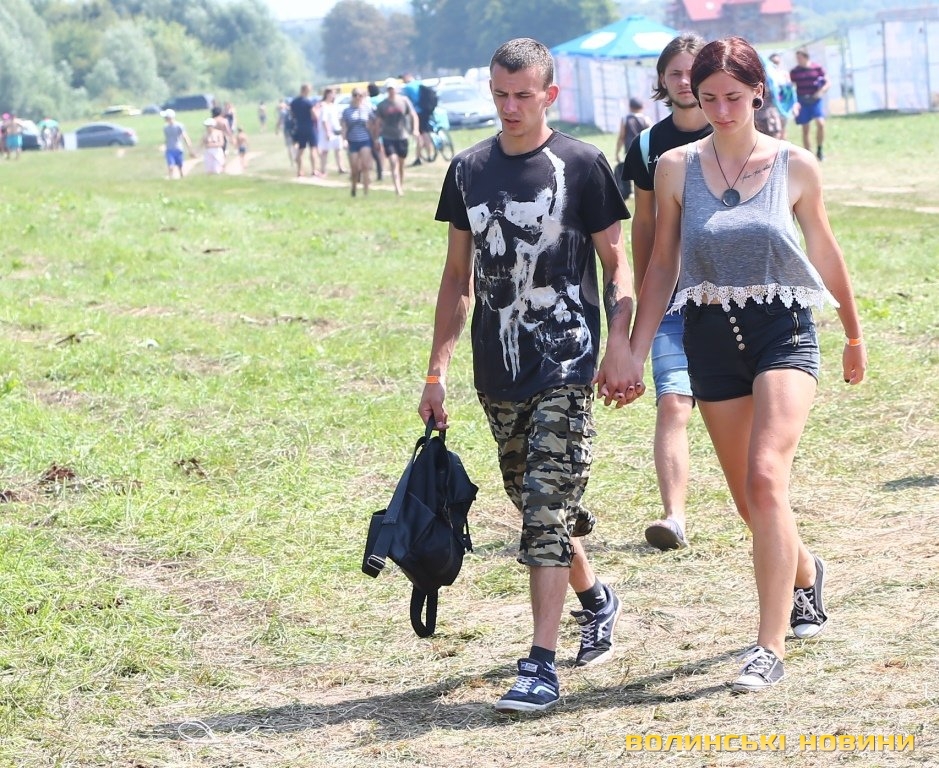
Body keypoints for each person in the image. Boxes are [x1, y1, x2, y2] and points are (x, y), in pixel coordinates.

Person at [624, 36, 866, 693]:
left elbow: (824, 248)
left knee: (764, 478)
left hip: (782, 329)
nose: (722, 110)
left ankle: (768, 647)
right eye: (708, 98)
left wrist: (852, 333)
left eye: (733, 96)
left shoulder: (794, 164)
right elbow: (662, 265)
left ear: (758, 92)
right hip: (707, 335)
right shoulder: (674, 167)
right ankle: (806, 572)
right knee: (747, 502)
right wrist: (635, 347)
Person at [419, 37, 638, 714]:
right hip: (497, 370)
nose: (509, 107)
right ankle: (596, 599)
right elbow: (457, 279)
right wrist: (436, 372)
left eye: (522, 95)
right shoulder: (466, 170)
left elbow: (618, 266)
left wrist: (620, 344)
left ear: (549, 94)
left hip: (567, 362)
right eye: (499, 94)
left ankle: (539, 666)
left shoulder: (583, 165)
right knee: (536, 503)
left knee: (544, 507)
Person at [621, 32, 712, 552]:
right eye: (675, 72)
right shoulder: (647, 145)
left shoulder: (733, 131)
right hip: (672, 299)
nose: (684, 81)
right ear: (661, 79)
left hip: (728, 296)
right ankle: (674, 516)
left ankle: (763, 507)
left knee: (736, 407)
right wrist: (643, 293)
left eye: (693, 71)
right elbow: (644, 222)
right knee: (673, 403)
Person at [374, 79, 418, 196]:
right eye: (389, 89)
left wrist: (415, 129)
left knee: (401, 163)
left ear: (396, 89)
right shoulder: (382, 105)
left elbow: (413, 115)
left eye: (393, 89)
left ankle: (400, 184)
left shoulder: (404, 101)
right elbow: (378, 122)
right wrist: (376, 137)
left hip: (402, 135)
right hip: (388, 136)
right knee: (393, 161)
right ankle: (397, 188)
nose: (391, 91)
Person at [790, 48, 829, 160]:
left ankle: (820, 150)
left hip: (815, 100)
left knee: (820, 124)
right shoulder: (795, 71)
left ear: (806, 57)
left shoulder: (817, 68)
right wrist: (793, 103)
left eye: (800, 58)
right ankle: (809, 155)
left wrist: (820, 92)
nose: (798, 60)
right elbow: (790, 87)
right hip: (802, 101)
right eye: (797, 58)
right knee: (805, 128)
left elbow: (827, 82)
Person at [613, 97, 652, 199]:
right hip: (643, 150)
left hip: (629, 150)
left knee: (630, 171)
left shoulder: (625, 119)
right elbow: (650, 136)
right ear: (642, 107)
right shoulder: (646, 119)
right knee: (642, 172)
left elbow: (621, 137)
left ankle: (630, 191)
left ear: (630, 107)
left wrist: (617, 152)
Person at [340, 88, 374, 197]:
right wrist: (344, 139)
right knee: (354, 168)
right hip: (352, 141)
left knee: (365, 166)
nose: (357, 97)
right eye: (355, 95)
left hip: (365, 140)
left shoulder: (367, 109)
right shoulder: (347, 111)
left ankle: (366, 191)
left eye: (360, 95)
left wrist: (375, 137)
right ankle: (354, 188)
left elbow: (373, 123)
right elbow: (344, 126)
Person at [290, 83, 319, 177]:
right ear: (306, 90)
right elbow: (315, 116)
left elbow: (292, 115)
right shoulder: (308, 102)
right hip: (309, 127)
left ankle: (299, 171)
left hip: (299, 127)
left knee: (301, 149)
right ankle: (314, 170)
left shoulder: (294, 102)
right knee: (313, 148)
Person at [317, 88, 347, 175]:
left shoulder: (333, 105)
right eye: (332, 93)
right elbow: (324, 120)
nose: (333, 95)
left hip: (336, 130)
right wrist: (327, 132)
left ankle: (341, 167)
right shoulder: (323, 105)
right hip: (327, 131)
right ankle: (323, 169)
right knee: (325, 151)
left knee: (338, 149)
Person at [766, 53, 796, 140]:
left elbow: (790, 90)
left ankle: (783, 146)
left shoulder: (784, 74)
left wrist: (794, 104)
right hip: (773, 105)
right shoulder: (768, 75)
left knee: (783, 129)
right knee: (776, 130)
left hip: (784, 104)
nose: (776, 64)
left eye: (777, 62)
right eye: (773, 62)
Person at [160, 109, 195, 179]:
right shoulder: (165, 128)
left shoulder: (179, 126)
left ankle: (182, 176)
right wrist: (164, 145)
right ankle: (170, 177)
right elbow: (167, 139)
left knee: (180, 166)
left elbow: (185, 137)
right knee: (171, 166)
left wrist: (189, 148)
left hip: (178, 148)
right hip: (169, 149)